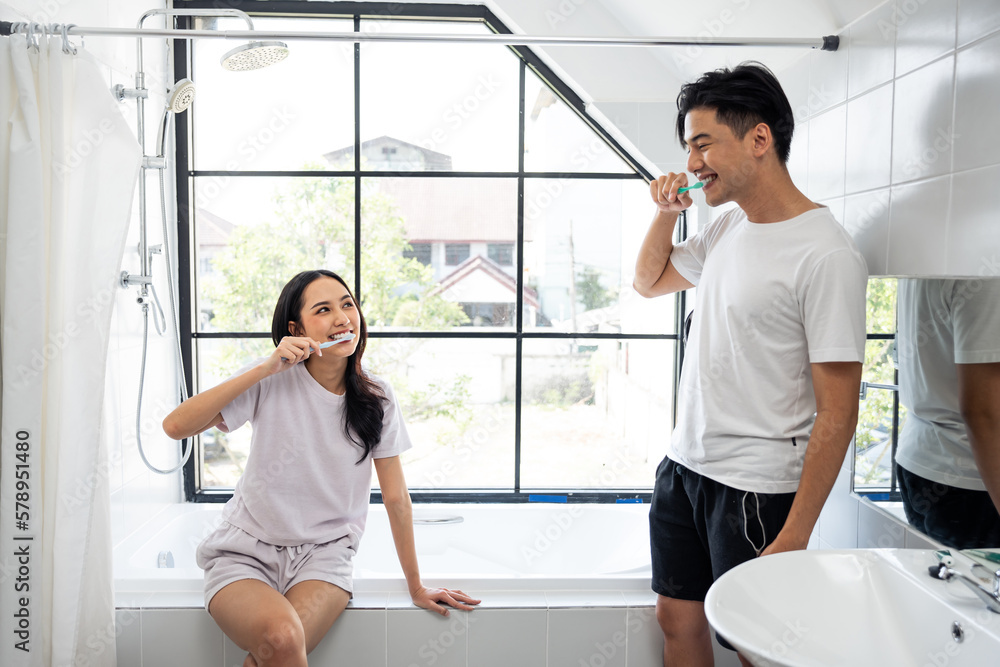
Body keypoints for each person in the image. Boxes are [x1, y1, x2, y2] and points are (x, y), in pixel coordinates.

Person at [632, 63, 867, 667]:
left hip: (755, 488)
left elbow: (838, 413)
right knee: (675, 617)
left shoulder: (826, 254)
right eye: (688, 147)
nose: (692, 163)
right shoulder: (728, 225)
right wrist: (665, 212)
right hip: (685, 464)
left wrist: (795, 535)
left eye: (703, 143)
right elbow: (649, 281)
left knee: (755, 644)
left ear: (759, 139)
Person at [162, 269, 479, 667]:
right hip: (245, 550)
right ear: (296, 328)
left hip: (325, 554)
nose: (343, 317)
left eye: (348, 304)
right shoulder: (270, 380)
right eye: (324, 309)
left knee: (277, 644)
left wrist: (415, 587)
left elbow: (396, 498)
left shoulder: (378, 398)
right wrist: (264, 368)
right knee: (279, 639)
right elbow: (175, 427)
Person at [895, 278, 1000, 549]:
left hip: (923, 458)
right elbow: (981, 411)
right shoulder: (988, 274)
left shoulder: (936, 251)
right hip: (971, 477)